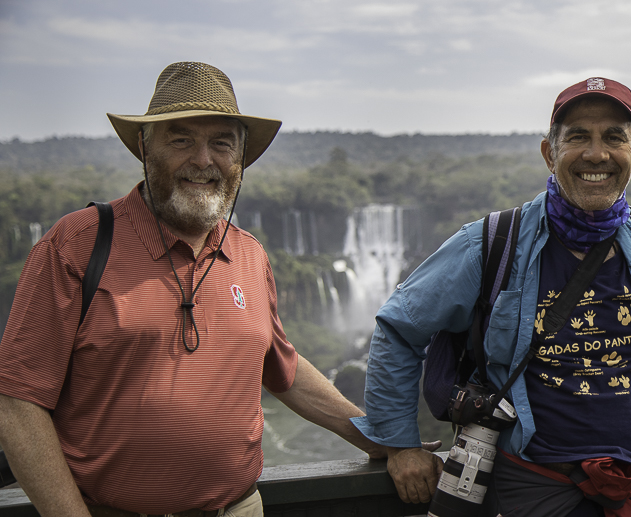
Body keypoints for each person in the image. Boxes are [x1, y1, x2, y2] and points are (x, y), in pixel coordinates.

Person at [352, 77, 631, 516]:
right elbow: (398, 329)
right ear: (549, 154)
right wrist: (400, 444)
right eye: (577, 137)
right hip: (539, 486)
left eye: (614, 137)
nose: (596, 154)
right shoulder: (491, 244)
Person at [0, 61, 390, 517]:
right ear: (144, 146)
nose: (203, 160)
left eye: (221, 143)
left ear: (240, 158)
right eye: (181, 140)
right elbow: (17, 401)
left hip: (240, 508)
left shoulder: (250, 255)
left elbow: (282, 367)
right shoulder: (76, 245)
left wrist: (378, 439)